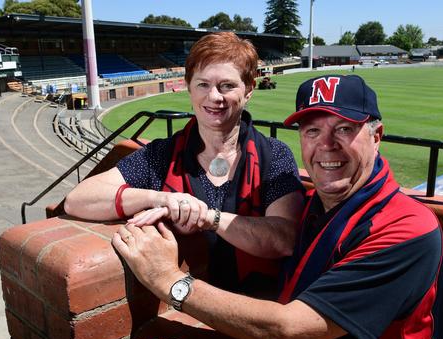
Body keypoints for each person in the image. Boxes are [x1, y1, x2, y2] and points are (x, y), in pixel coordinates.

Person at [112, 74, 443, 339]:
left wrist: (167, 279)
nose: (326, 145)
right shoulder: (317, 203)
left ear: (376, 136)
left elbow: (286, 332)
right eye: (312, 131)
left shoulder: (407, 228)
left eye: (344, 129)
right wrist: (208, 217)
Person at [64, 32, 305, 293]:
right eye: (203, 84)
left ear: (248, 90)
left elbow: (284, 238)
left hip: (259, 309)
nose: (214, 97)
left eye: (227, 85)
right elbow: (78, 199)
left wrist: (207, 217)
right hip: (184, 315)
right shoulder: (161, 154)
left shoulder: (274, 154)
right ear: (188, 86)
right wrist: (159, 199)